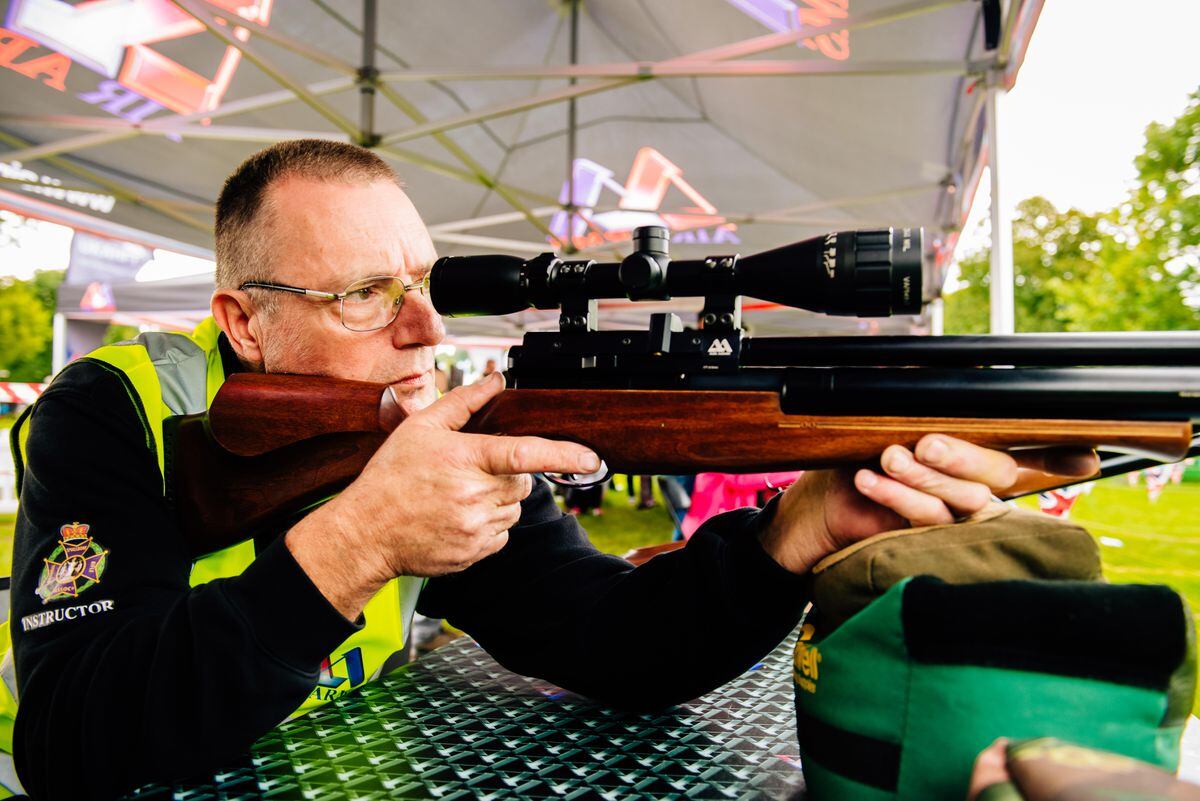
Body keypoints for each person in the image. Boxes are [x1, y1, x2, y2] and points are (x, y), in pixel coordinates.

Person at [1, 140, 1098, 799]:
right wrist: (355, 544)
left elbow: (611, 640)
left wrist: (791, 536)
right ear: (244, 321)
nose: (425, 329)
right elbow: (69, 745)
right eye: (366, 295)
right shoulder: (115, 410)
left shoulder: (411, 428)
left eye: (427, 282)